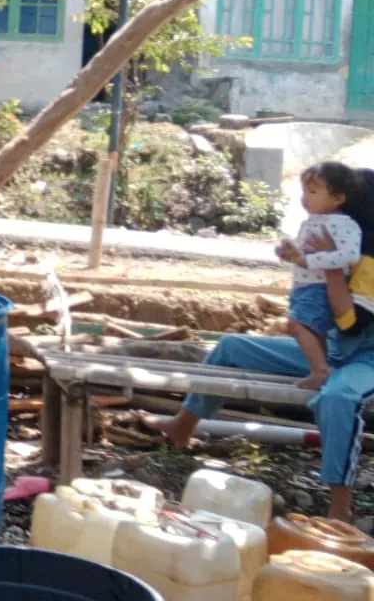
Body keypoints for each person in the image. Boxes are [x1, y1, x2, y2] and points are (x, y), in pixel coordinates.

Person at [147, 218, 374, 522]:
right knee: (231, 346)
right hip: (331, 349)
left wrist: (332, 265)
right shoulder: (348, 241)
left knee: (338, 397)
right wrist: (297, 254)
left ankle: (340, 507)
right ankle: (183, 426)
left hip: (366, 360)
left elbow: (350, 320)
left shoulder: (361, 258)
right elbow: (315, 292)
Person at [285, 162, 365, 391]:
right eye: (304, 191)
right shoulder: (312, 221)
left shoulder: (343, 224)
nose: (305, 198)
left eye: (313, 192)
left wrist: (306, 260)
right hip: (303, 285)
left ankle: (320, 370)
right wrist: (290, 253)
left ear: (338, 198)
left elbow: (348, 257)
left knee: (297, 325)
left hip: (318, 288)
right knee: (312, 329)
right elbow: (304, 253)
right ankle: (319, 368)